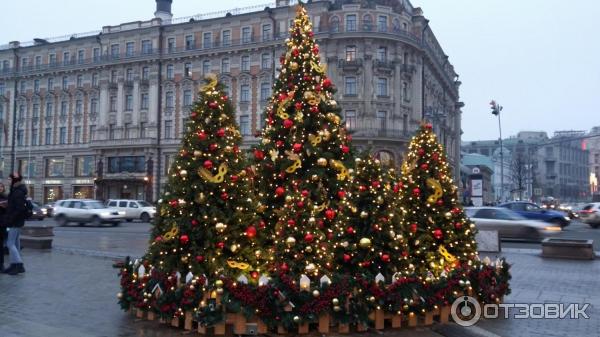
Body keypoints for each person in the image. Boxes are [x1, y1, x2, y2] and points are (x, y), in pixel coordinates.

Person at [4, 173, 27, 275]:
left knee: (10, 243)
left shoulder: (17, 192)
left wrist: (10, 219)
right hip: (17, 221)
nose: (8, 180)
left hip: (15, 222)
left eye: (10, 179)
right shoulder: (17, 190)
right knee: (16, 244)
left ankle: (19, 264)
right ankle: (14, 264)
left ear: (14, 180)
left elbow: (19, 208)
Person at [0, 183, 7, 272]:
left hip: (2, 224)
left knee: (1, 245)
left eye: (1, 186)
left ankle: (1, 265)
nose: (0, 188)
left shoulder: (6, 197)